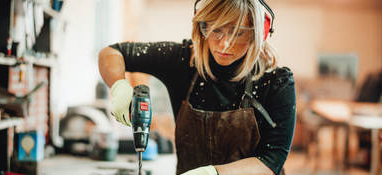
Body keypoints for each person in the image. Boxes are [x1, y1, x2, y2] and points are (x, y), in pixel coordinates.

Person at [98, 0, 296, 174]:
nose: (225, 43)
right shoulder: (183, 60)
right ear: (202, 26)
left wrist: (214, 174)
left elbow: (272, 161)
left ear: (258, 33)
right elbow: (112, 53)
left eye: (238, 33)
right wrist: (118, 86)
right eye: (216, 29)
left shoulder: (276, 82)